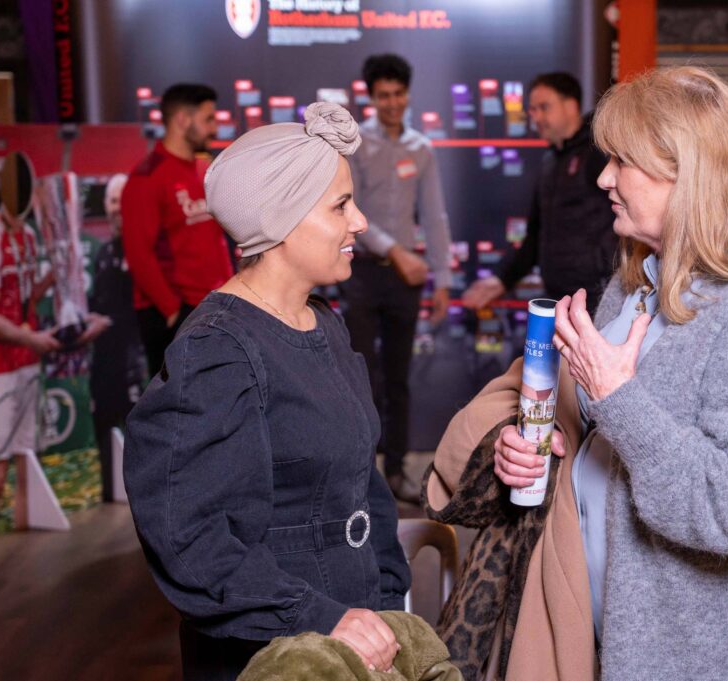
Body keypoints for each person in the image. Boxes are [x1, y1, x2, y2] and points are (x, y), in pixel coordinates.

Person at [427, 66, 728, 681]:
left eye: (621, 161)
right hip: (598, 634)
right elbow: (595, 440)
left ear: (688, 171)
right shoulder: (634, 283)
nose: (603, 179)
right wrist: (533, 449)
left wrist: (615, 396)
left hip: (697, 655)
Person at [125, 103, 411, 681]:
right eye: (340, 205)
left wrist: (386, 601)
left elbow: (360, 484)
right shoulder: (217, 350)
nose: (359, 222)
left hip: (352, 645)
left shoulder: (323, 321)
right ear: (281, 219)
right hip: (274, 658)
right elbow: (189, 538)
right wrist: (321, 616)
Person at [0, 169, 108, 540]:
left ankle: (18, 560)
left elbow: (28, 296)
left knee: (27, 468)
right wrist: (31, 340)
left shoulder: (28, 235)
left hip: (28, 364)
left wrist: (65, 269)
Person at [343, 53, 453, 503]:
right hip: (363, 273)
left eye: (398, 94)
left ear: (408, 95)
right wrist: (395, 251)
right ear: (371, 98)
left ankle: (397, 472)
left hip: (407, 281)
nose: (392, 102)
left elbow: (435, 215)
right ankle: (359, 474)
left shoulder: (420, 148)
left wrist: (442, 277)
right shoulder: (355, 145)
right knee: (361, 378)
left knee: (400, 378)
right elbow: (351, 212)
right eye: (383, 95)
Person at [462, 72, 617, 316]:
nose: (535, 117)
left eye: (544, 107)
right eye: (532, 110)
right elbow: (535, 234)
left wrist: (610, 275)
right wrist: (502, 279)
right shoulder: (549, 161)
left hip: (599, 296)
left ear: (571, 105)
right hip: (557, 297)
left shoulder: (599, 151)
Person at [121, 83, 234, 377]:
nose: (215, 129)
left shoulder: (200, 171)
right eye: (209, 120)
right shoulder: (147, 177)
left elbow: (213, 241)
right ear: (182, 120)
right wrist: (173, 311)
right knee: (179, 413)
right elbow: (138, 254)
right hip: (176, 317)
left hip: (212, 308)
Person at [89, 173, 148, 502]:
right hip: (104, 363)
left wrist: (111, 321)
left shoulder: (143, 250)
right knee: (103, 425)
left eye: (121, 202)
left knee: (137, 431)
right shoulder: (103, 253)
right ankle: (107, 492)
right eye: (111, 202)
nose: (115, 210)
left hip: (133, 360)